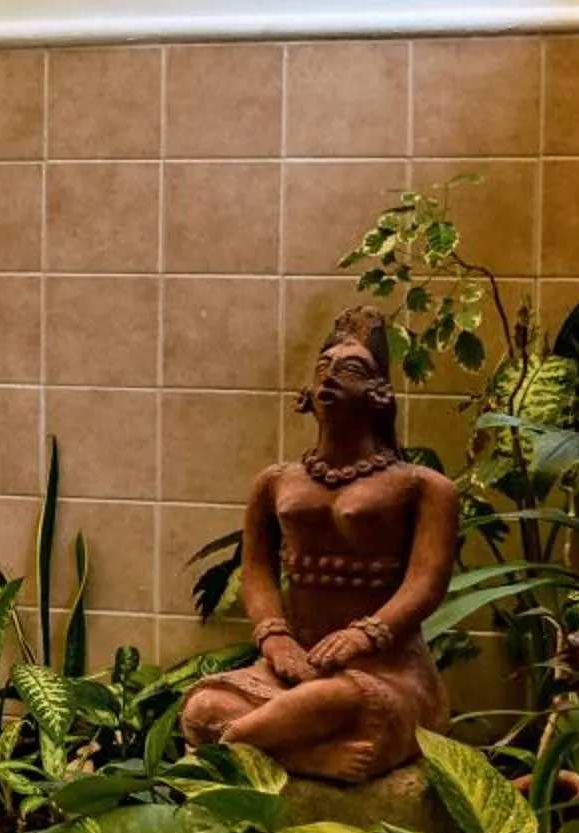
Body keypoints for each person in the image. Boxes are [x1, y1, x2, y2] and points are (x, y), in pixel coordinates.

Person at [179, 305, 457, 782]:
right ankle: (300, 754)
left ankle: (234, 745)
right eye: (323, 367)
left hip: (384, 675)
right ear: (306, 394)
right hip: (294, 667)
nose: (331, 376)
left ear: (380, 395)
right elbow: (258, 570)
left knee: (330, 700)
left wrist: (362, 635)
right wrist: (276, 637)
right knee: (202, 705)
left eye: (350, 370)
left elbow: (426, 583)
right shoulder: (274, 482)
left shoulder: (425, 487)